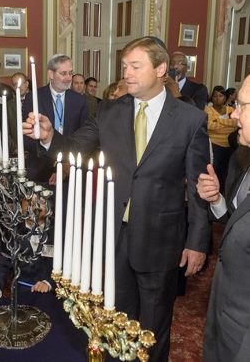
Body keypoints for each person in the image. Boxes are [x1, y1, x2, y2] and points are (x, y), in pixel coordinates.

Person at [24, 37, 210, 361]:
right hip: (114, 238)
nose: (127, 74)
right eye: (125, 66)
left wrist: (197, 241)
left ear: (161, 69)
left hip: (160, 240)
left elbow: (198, 186)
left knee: (153, 331)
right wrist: (50, 136)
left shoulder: (189, 120)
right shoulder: (109, 111)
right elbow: (76, 146)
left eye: (136, 66)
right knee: (115, 323)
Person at [197, 75, 250, 361]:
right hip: (222, 317)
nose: (233, 113)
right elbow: (238, 224)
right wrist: (217, 199)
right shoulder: (242, 160)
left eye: (241, 105)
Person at [23, 54, 89, 184]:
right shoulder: (34, 97)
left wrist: (66, 164)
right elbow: (27, 135)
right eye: (63, 73)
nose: (68, 78)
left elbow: (84, 137)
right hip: (40, 169)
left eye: (70, 73)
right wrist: (52, 159)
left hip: (71, 169)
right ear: (51, 74)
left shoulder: (80, 101)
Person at [205, 85, 237, 193]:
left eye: (220, 96)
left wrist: (218, 120)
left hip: (230, 146)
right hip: (215, 145)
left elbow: (235, 124)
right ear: (211, 98)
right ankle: (215, 193)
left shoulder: (230, 109)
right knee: (216, 172)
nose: (217, 98)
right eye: (215, 96)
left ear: (225, 97)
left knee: (228, 173)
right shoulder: (208, 110)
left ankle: (225, 195)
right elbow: (209, 126)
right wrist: (226, 123)